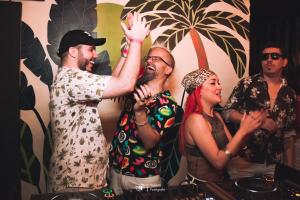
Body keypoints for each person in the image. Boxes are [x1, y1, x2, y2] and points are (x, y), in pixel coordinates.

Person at [47, 12, 150, 192]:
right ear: (72, 51)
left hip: (84, 179)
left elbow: (115, 83)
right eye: (90, 49)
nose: (95, 55)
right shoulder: (72, 79)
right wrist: (136, 42)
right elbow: (125, 84)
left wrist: (127, 50)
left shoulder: (74, 79)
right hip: (75, 181)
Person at [109, 43, 177, 195]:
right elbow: (112, 85)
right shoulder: (133, 89)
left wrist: (139, 111)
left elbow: (150, 142)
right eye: (149, 58)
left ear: (168, 69)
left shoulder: (167, 104)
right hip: (116, 172)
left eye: (157, 59)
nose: (150, 61)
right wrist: (126, 52)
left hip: (143, 179)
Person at [222, 42, 297, 179]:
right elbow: (227, 111)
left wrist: (289, 170)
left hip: (273, 164)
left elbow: (289, 134)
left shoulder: (290, 93)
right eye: (265, 57)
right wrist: (256, 121)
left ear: (284, 62)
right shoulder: (247, 84)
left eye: (274, 56)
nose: (269, 60)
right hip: (243, 162)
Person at [179, 68, 264, 184]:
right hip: (199, 188)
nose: (219, 87)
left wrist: (250, 128)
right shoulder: (196, 120)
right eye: (213, 83)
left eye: (219, 83)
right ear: (199, 91)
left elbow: (233, 151)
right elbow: (218, 162)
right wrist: (242, 131)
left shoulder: (217, 116)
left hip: (219, 185)